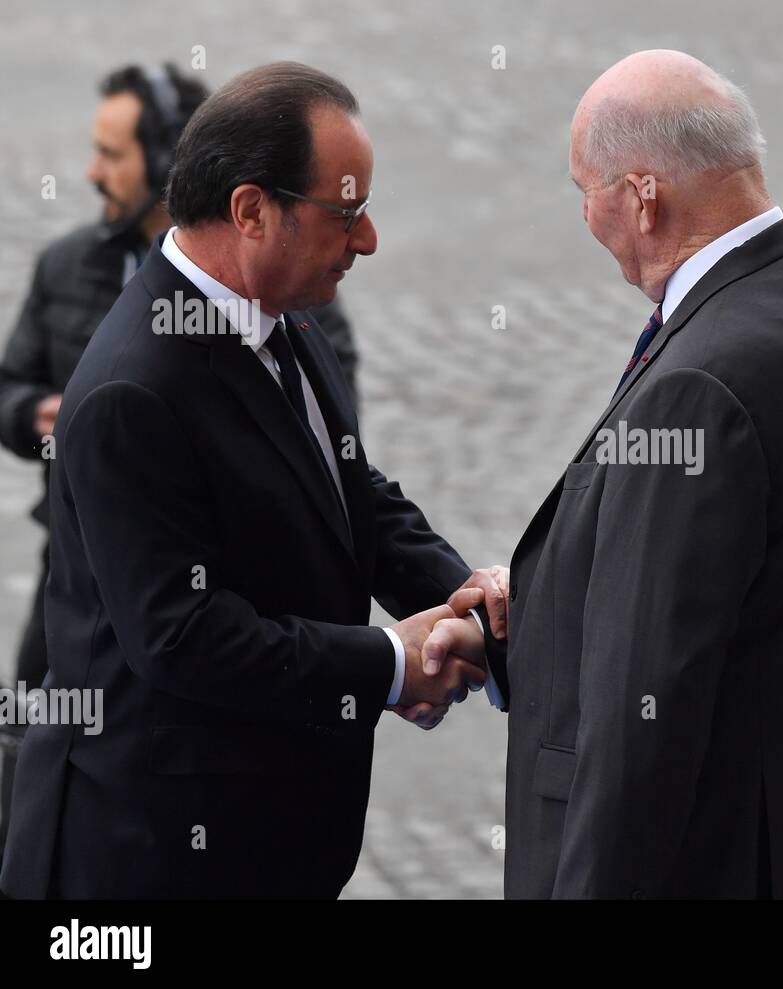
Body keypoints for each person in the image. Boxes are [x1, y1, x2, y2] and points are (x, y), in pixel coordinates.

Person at [414, 50, 783, 898]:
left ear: (644, 195)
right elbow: (742, 607)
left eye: (588, 190)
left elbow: (643, 718)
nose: (585, 217)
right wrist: (514, 636)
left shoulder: (695, 387)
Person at [0, 62, 503, 899]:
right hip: (149, 863)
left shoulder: (280, 310)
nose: (368, 238)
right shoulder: (136, 386)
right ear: (250, 211)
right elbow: (181, 635)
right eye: (346, 213)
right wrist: (387, 662)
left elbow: (347, 486)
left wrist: (468, 594)